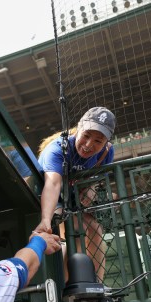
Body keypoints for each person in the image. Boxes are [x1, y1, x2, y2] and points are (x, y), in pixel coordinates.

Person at [34, 107, 116, 282]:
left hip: (71, 195)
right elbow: (53, 183)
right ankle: (68, 296)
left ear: (106, 142)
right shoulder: (56, 149)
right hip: (46, 194)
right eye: (86, 136)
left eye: (98, 141)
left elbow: (96, 178)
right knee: (76, 231)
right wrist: (45, 219)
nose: (88, 145)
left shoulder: (107, 152)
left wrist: (91, 189)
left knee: (95, 230)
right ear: (78, 129)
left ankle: (96, 287)